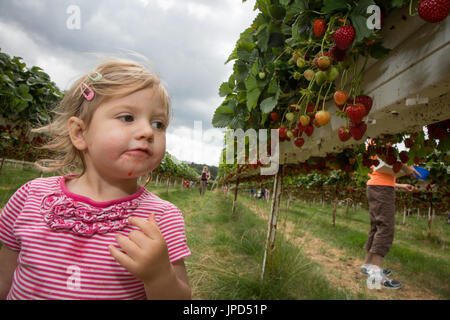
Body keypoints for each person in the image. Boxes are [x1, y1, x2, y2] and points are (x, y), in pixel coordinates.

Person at [0, 59, 191, 300]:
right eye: (127, 117)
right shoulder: (29, 196)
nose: (147, 131)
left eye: (158, 123)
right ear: (80, 133)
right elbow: (4, 277)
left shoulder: (162, 218)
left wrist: (160, 276)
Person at [361, 146, 421, 290]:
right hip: (381, 189)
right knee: (385, 228)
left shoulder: (378, 139)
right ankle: (376, 276)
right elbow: (390, 158)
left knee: (376, 227)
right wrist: (406, 168)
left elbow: (382, 170)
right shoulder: (384, 139)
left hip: (377, 186)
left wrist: (400, 185)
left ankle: (368, 266)